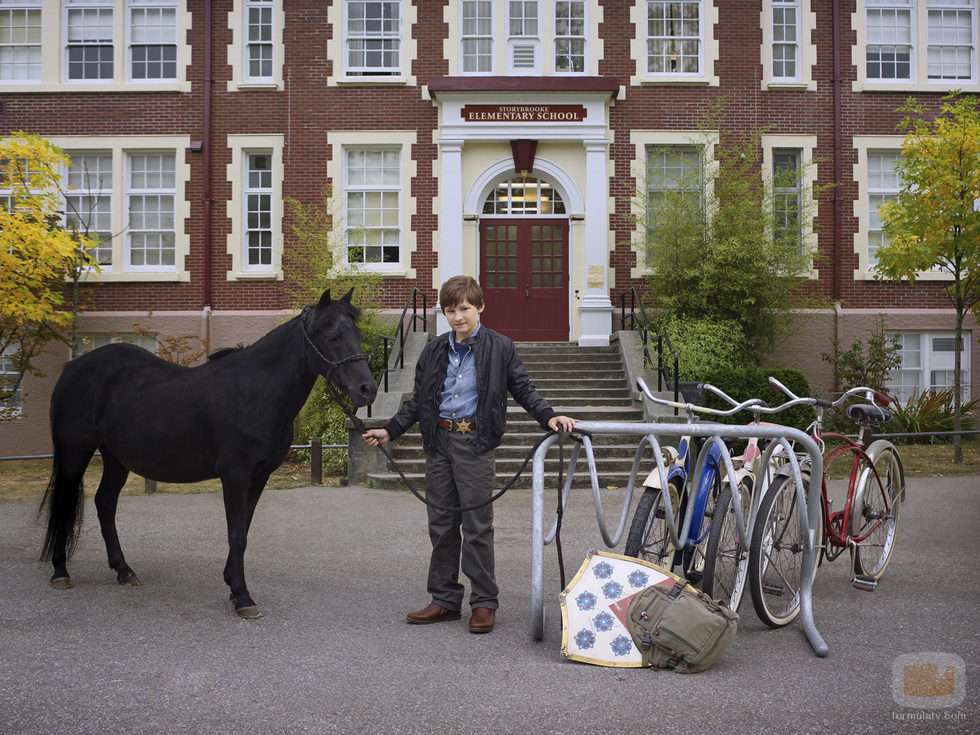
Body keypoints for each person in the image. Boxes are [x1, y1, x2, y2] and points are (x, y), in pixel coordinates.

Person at [362, 275, 577, 634]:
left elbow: (523, 389)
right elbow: (418, 401)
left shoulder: (501, 347)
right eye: (450, 311)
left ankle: (484, 603)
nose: (457, 317)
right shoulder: (433, 350)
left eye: (463, 308)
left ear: (479, 306)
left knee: (477, 527)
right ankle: (445, 600)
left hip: (474, 446)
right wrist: (390, 429)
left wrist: (549, 415)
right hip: (439, 444)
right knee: (442, 526)